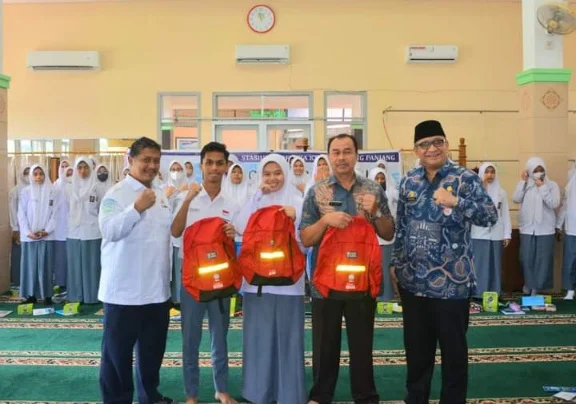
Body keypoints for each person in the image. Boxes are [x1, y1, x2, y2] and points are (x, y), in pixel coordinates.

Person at [391, 120, 498, 404]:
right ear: (416, 150)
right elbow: (401, 226)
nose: (432, 148)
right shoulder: (408, 181)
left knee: (453, 356)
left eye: (438, 141)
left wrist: (456, 202)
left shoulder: (465, 179)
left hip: (452, 285)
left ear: (446, 145)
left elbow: (489, 216)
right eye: (425, 144)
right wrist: (395, 265)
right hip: (414, 284)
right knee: (416, 355)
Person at [300, 133, 395, 404]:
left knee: (362, 345)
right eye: (336, 152)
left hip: (362, 283)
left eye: (347, 151)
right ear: (329, 156)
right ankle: (320, 396)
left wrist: (376, 212)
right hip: (325, 284)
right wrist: (325, 221)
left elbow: (388, 233)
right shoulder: (317, 192)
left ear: (357, 155)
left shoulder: (373, 190)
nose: (341, 157)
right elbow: (306, 238)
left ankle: (365, 396)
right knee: (324, 346)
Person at [98, 137, 173, 404]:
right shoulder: (115, 195)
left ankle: (149, 397)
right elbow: (108, 230)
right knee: (117, 357)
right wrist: (136, 208)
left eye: (155, 160)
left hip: (156, 292)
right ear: (131, 160)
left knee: (152, 355)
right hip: (123, 294)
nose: (151, 165)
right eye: (145, 160)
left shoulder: (162, 194)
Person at [233, 154, 307, 404]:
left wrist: (295, 217)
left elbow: (306, 239)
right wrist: (257, 196)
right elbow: (239, 227)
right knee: (258, 339)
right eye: (267, 173)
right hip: (257, 284)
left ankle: (289, 394)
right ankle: (258, 392)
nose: (273, 178)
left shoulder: (297, 200)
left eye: (277, 173)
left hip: (290, 283)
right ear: (260, 175)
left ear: (286, 173)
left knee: (288, 340)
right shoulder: (253, 199)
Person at [171, 142, 238, 404]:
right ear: (201, 166)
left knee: (220, 337)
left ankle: (221, 389)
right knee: (191, 339)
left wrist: (234, 233)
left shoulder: (231, 203)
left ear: (225, 166)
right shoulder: (186, 197)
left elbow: (237, 239)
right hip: (192, 281)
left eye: (219, 163)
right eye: (208, 162)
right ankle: (191, 394)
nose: (213, 168)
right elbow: (175, 231)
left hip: (221, 282)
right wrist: (187, 200)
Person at [512, 157, 560, 295]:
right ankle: (529, 283)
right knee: (526, 258)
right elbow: (515, 198)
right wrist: (523, 181)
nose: (538, 172)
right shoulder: (525, 184)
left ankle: (537, 287)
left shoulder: (552, 185)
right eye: (535, 170)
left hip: (545, 229)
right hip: (527, 228)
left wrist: (542, 187)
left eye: (541, 170)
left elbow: (554, 204)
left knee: (542, 260)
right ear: (529, 171)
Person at [18, 164, 61, 305]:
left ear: (45, 175)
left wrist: (46, 230)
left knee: (46, 266)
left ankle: (47, 295)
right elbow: (21, 214)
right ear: (31, 175)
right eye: (35, 174)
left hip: (46, 236)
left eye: (41, 174)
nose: (38, 177)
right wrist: (27, 232)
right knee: (30, 267)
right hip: (29, 237)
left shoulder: (52, 191)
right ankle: (30, 295)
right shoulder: (25, 192)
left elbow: (55, 214)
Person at [471, 163, 512, 297]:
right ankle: (479, 293)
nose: (490, 175)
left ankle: (494, 293)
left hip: (496, 234)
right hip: (478, 233)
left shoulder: (502, 193)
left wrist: (507, 234)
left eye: (492, 172)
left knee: (495, 265)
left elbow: (505, 213)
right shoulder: (474, 191)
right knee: (480, 265)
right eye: (487, 172)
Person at [66, 157, 102, 304]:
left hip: (92, 232)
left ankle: (92, 296)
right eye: (79, 167)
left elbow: (102, 210)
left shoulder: (97, 187)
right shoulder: (69, 188)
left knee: (92, 266)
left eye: (85, 167)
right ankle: (76, 296)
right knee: (75, 266)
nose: (82, 170)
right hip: (73, 232)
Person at [368, 167, 399, 302]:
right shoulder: (366, 195)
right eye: (377, 178)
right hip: (371, 239)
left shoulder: (390, 194)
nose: (379, 181)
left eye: (382, 178)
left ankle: (385, 299)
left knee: (385, 270)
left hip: (386, 239)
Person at [558, 159, 576, 300]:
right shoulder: (571, 177)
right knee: (570, 260)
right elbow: (564, 204)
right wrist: (559, 224)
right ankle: (570, 289)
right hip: (571, 228)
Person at [9, 166, 30, 286]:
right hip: (20, 228)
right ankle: (17, 281)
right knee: (19, 256)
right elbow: (13, 210)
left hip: (33, 229)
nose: (27, 175)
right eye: (25, 173)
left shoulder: (36, 189)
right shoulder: (15, 191)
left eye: (29, 173)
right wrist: (15, 228)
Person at [53, 160, 71, 291]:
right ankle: (60, 282)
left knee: (71, 257)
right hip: (59, 228)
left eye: (68, 167)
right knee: (60, 258)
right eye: (63, 166)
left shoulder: (75, 185)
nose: (65, 169)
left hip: (72, 228)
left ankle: (71, 281)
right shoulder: (55, 185)